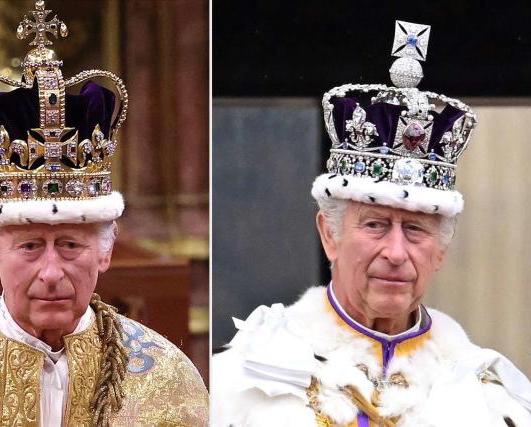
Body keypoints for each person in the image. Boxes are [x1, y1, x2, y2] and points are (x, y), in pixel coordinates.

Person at [0, 2, 208, 426]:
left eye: (71, 245)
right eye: (30, 246)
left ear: (105, 252)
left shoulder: (167, 381)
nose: (52, 271)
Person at [212, 20, 531, 427]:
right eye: (376, 225)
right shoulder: (241, 383)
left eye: (416, 229)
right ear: (330, 235)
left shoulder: (490, 402)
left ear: (441, 251)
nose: (396, 253)